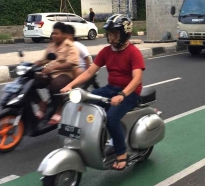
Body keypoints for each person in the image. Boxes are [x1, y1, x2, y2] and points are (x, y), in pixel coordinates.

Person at [61, 14, 144, 171]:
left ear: (124, 33)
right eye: (109, 33)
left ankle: (121, 154)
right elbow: (89, 72)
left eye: (114, 33)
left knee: (112, 118)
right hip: (111, 88)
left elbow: (137, 79)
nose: (110, 37)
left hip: (130, 93)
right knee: (87, 104)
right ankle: (96, 141)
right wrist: (70, 85)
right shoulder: (106, 51)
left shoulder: (133, 52)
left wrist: (122, 95)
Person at [34, 22, 80, 125]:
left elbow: (71, 63)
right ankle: (42, 105)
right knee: (32, 80)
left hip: (65, 74)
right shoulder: (51, 45)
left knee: (55, 84)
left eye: (56, 33)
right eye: (53, 33)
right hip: (51, 73)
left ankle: (59, 110)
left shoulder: (70, 46)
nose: (54, 36)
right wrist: (35, 64)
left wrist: (54, 67)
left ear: (63, 34)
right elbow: (44, 60)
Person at [64, 24, 100, 89]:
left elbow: (87, 57)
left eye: (65, 35)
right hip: (72, 68)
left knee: (76, 72)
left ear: (70, 36)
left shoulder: (77, 45)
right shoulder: (65, 46)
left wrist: (88, 72)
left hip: (82, 69)